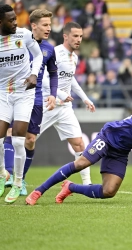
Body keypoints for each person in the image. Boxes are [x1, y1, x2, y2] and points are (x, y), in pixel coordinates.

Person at [4, 9, 58, 196]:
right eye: (45, 25)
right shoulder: (19, 40)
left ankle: (21, 179)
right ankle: (8, 176)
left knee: (30, 140)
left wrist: (53, 93)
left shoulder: (49, 49)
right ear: (34, 25)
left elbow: (53, 73)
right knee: (10, 133)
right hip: (12, 94)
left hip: (34, 97)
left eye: (50, 25)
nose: (49, 28)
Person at [39, 22, 95, 186]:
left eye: (81, 36)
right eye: (75, 36)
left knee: (79, 144)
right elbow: (44, 78)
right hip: (48, 104)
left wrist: (85, 98)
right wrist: (61, 94)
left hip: (64, 108)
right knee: (28, 140)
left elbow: (71, 80)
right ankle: (15, 179)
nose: (79, 40)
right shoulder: (54, 53)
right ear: (65, 36)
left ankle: (87, 183)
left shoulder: (74, 57)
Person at [0, 4, 43, 203]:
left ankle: (17, 183)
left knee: (18, 140)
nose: (15, 23)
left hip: (24, 93)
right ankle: (2, 174)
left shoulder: (24, 35)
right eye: (11, 20)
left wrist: (34, 74)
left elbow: (38, 55)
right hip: (3, 94)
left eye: (15, 18)